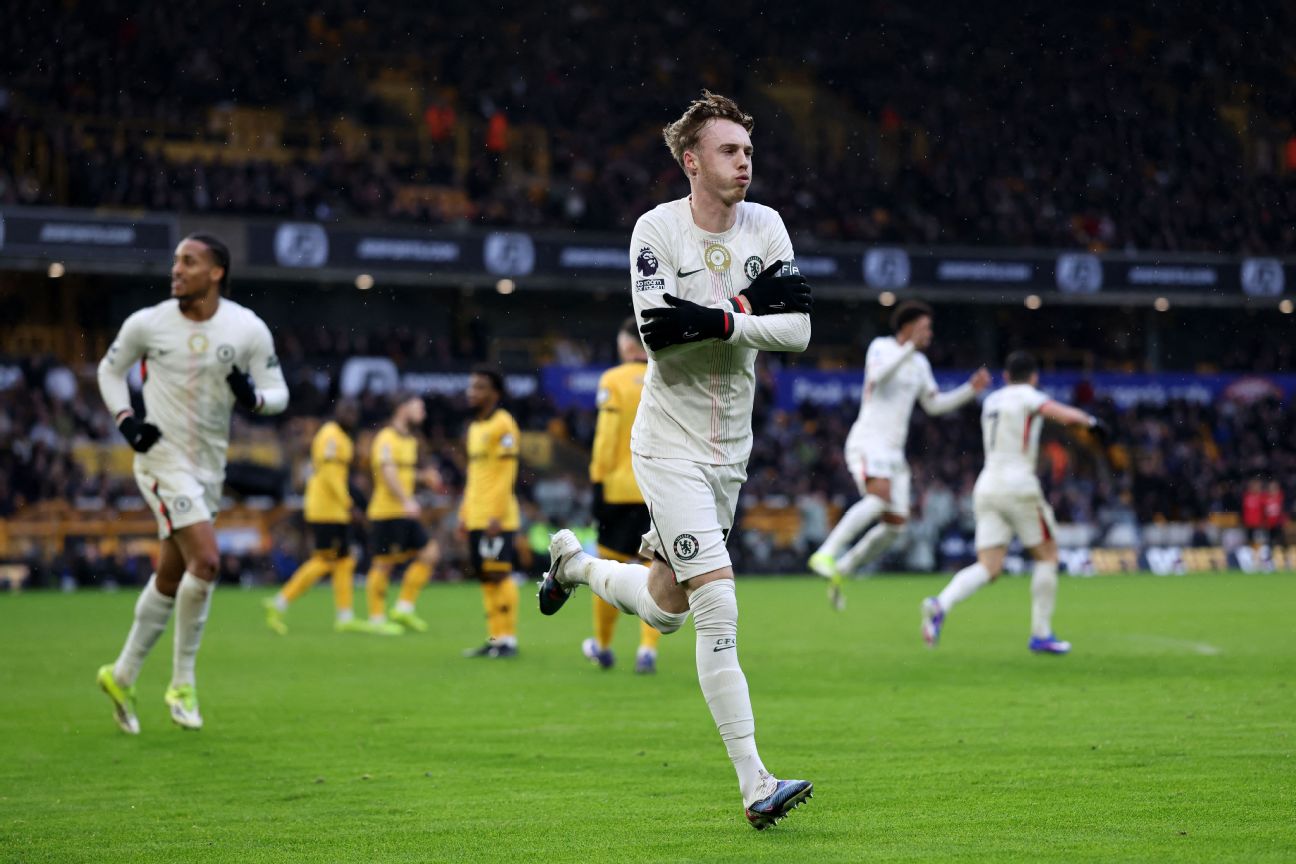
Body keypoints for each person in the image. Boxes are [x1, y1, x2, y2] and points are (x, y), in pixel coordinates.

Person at [537, 91, 815, 829]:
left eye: (748, 151)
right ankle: (756, 783)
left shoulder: (767, 225)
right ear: (692, 161)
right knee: (718, 600)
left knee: (665, 607)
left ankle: (573, 565)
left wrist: (715, 317)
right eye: (729, 151)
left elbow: (798, 330)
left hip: (731, 451)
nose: (744, 162)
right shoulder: (656, 229)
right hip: (666, 444)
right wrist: (749, 307)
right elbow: (658, 334)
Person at [95, 233, 288, 733]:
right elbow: (109, 372)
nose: (176, 269)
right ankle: (182, 683)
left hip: (209, 468)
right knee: (208, 560)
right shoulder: (148, 323)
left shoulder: (246, 328)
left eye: (189, 261)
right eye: (176, 261)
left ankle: (122, 675)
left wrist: (253, 397)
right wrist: (126, 421)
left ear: (216, 272)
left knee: (172, 574)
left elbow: (279, 393)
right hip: (160, 458)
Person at [807, 300, 990, 610]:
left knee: (896, 527)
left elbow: (934, 405)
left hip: (894, 453)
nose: (929, 334)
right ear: (908, 326)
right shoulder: (882, 347)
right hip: (869, 441)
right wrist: (908, 349)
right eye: (925, 327)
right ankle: (826, 552)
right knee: (879, 499)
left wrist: (969, 391)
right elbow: (878, 377)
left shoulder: (920, 364)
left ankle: (844, 568)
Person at [921, 351, 1105, 654]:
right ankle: (1041, 634)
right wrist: (1090, 421)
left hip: (987, 486)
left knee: (989, 566)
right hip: (1018, 485)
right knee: (1047, 556)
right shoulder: (1029, 396)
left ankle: (941, 604)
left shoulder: (992, 400)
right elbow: (1058, 412)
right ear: (1034, 377)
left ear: (1006, 376)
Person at [583, 318, 661, 674]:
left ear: (629, 345)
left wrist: (597, 482)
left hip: (618, 490)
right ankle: (647, 650)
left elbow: (607, 437)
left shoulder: (613, 380)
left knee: (609, 570)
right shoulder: (666, 375)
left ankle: (603, 646)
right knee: (652, 570)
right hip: (658, 490)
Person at [264, 399, 364, 634]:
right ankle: (280, 600)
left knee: (344, 560)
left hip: (334, 509)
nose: (350, 416)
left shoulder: (340, 436)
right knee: (324, 560)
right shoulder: (331, 435)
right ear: (337, 413)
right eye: (346, 411)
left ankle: (345, 616)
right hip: (326, 509)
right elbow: (330, 475)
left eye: (353, 412)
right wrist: (348, 503)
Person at [364, 393, 443, 635]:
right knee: (384, 565)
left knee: (430, 554)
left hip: (404, 512)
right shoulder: (386, 438)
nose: (423, 413)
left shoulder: (409, 440)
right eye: (419, 407)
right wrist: (406, 500)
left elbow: (401, 473)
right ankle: (376, 619)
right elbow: (387, 473)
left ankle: (403, 608)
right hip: (387, 511)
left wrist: (423, 477)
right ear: (402, 408)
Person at [459, 367, 523, 658]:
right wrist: (464, 512)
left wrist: (495, 514)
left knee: (499, 576)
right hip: (476, 515)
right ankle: (496, 638)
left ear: (494, 393)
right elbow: (475, 475)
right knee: (486, 578)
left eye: (480, 387)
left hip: (497, 517)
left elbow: (507, 473)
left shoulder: (503, 424)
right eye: (471, 387)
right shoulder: (474, 428)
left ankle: (508, 639)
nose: (472, 392)